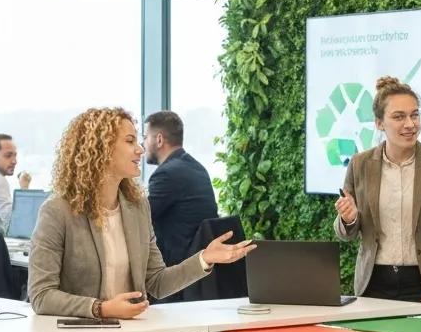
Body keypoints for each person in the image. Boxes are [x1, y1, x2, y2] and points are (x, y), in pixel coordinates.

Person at [29, 107, 253, 319]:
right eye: (129, 141)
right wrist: (101, 309)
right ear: (101, 149)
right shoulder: (57, 211)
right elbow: (41, 295)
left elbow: (156, 282)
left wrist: (204, 258)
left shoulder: (137, 209)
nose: (140, 149)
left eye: (138, 140)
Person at [334, 76, 421, 309]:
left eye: (414, 115)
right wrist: (349, 218)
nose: (410, 124)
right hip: (372, 286)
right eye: (399, 117)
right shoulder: (360, 164)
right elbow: (346, 233)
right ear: (379, 123)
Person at [142, 111, 218, 266]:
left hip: (175, 271)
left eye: (144, 137)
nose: (142, 144)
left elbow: (138, 217)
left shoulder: (166, 174)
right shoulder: (197, 168)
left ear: (159, 139)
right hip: (198, 265)